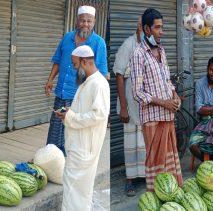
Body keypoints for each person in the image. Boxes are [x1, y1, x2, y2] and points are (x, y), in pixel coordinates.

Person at [130, 8, 183, 192]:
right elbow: (137, 92)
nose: (162, 32)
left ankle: (172, 195)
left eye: (162, 27)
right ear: (146, 29)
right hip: (152, 118)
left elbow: (167, 80)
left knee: (170, 159)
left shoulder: (161, 50)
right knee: (155, 161)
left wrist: (174, 96)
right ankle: (157, 196)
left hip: (168, 116)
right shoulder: (138, 54)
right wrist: (164, 102)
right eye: (157, 28)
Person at [45, 5, 108, 155]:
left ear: (94, 22)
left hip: (79, 95)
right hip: (61, 91)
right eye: (82, 20)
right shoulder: (67, 38)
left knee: (72, 131)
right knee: (55, 127)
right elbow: (58, 61)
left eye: (89, 21)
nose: (85, 24)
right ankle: (51, 158)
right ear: (77, 21)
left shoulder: (99, 43)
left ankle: (67, 160)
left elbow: (102, 73)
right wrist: (50, 80)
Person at [56, 45, 110, 210]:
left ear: (85, 61)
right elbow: (83, 111)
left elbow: (98, 115)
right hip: (78, 144)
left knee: (78, 188)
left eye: (75, 64)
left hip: (85, 146)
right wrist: (68, 112)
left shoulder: (98, 84)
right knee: (74, 186)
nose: (73, 69)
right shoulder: (87, 82)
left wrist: (71, 117)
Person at [114, 17, 145, 197]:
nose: (143, 29)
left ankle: (143, 175)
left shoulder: (150, 46)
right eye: (141, 25)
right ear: (138, 26)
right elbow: (119, 75)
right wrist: (123, 107)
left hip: (145, 107)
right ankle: (130, 181)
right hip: (130, 107)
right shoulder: (128, 45)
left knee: (144, 144)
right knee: (130, 145)